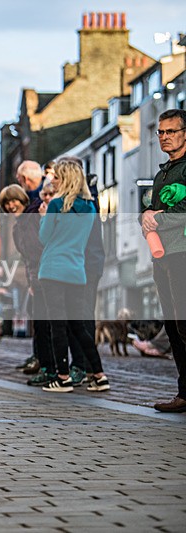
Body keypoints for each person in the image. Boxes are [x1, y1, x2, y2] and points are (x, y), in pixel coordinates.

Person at [37, 160, 109, 393]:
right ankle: (98, 374)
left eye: (56, 177)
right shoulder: (89, 207)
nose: (53, 180)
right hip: (77, 271)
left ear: (65, 179)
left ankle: (63, 376)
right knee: (79, 326)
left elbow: (44, 237)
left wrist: (43, 216)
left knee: (57, 325)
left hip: (53, 269)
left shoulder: (57, 204)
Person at [141, 108, 186, 412]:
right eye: (161, 132)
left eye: (171, 131)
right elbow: (153, 218)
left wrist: (157, 218)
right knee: (172, 326)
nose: (165, 137)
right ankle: (184, 392)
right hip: (163, 257)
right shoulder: (161, 174)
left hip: (184, 252)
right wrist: (145, 217)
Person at [0, 184, 55, 385]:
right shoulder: (18, 227)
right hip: (37, 278)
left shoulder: (33, 218)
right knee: (38, 322)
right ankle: (45, 364)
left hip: (48, 275)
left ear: (23, 200)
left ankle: (52, 368)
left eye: (14, 200)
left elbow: (42, 247)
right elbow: (27, 257)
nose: (11, 205)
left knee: (48, 324)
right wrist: (32, 281)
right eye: (7, 203)